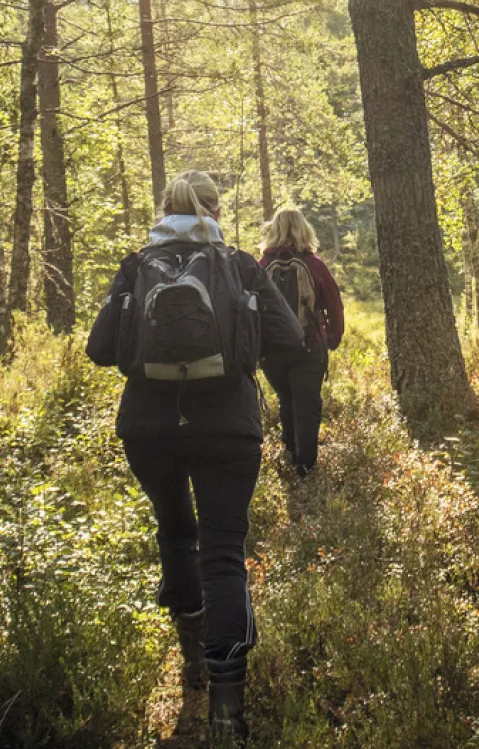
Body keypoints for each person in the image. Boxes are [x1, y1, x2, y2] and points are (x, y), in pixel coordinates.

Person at [86, 170, 303, 744]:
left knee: (175, 532)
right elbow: (290, 339)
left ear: (164, 210)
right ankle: (227, 710)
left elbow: (99, 349)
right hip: (228, 428)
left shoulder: (135, 267)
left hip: (149, 429)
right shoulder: (240, 265)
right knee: (223, 552)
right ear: (215, 210)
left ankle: (191, 658)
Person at [258, 207, 344, 476]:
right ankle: (306, 468)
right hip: (309, 345)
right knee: (307, 406)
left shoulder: (261, 266)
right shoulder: (314, 265)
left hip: (273, 350)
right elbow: (334, 305)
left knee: (286, 400)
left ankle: (290, 456)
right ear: (305, 229)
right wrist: (332, 339)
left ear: (273, 230)